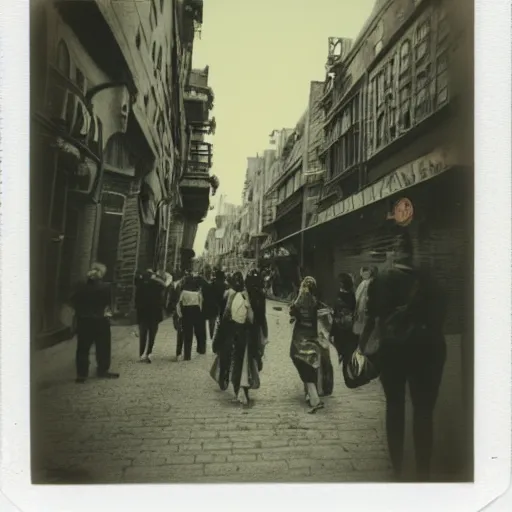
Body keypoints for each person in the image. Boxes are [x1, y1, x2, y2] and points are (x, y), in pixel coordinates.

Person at [359, 233, 447, 482]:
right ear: (414, 251)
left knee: (394, 407)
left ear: (395, 252)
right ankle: (423, 471)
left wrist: (362, 346)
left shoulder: (382, 279)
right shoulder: (430, 280)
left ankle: (397, 468)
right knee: (423, 412)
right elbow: (440, 314)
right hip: (427, 351)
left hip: (394, 351)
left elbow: (371, 316)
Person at [215, 271, 260, 405]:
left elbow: (224, 316)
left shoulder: (230, 295)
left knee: (233, 361)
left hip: (233, 332)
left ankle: (237, 389)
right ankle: (241, 390)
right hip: (243, 333)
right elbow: (251, 319)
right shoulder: (246, 296)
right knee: (241, 362)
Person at [289, 276, 333, 414]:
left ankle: (313, 397)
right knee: (312, 366)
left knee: (303, 364)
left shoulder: (297, 304)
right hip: (314, 340)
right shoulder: (318, 304)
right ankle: (312, 393)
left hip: (299, 341)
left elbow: (292, 313)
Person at [71, 263, 119, 383]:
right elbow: (109, 304)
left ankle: (81, 374)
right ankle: (102, 370)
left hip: (84, 320)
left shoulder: (80, 286)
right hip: (100, 320)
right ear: (102, 274)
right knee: (103, 347)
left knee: (82, 348)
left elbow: (73, 301)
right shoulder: (106, 287)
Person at [134, 268, 166, 363]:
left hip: (143, 313)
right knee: (152, 335)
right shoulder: (156, 285)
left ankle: (142, 355)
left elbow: (136, 301)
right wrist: (156, 278)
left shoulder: (140, 286)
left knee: (143, 335)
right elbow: (164, 284)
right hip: (154, 314)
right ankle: (148, 353)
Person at [176, 274, 206, 360]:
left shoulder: (184, 292)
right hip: (196, 311)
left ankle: (187, 355)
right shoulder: (198, 292)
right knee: (194, 332)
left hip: (186, 312)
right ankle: (192, 354)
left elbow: (179, 304)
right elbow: (201, 304)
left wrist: (180, 315)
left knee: (187, 334)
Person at [330, 272, 357, 363]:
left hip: (340, 327)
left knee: (340, 344)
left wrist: (331, 332)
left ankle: (341, 355)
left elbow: (335, 314)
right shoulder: (353, 295)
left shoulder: (339, 296)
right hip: (350, 327)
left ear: (342, 284)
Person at [352, 267, 377, 337]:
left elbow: (357, 296)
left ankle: (359, 335)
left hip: (362, 304)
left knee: (361, 321)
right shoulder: (373, 282)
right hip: (369, 304)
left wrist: (354, 307)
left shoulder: (364, 283)